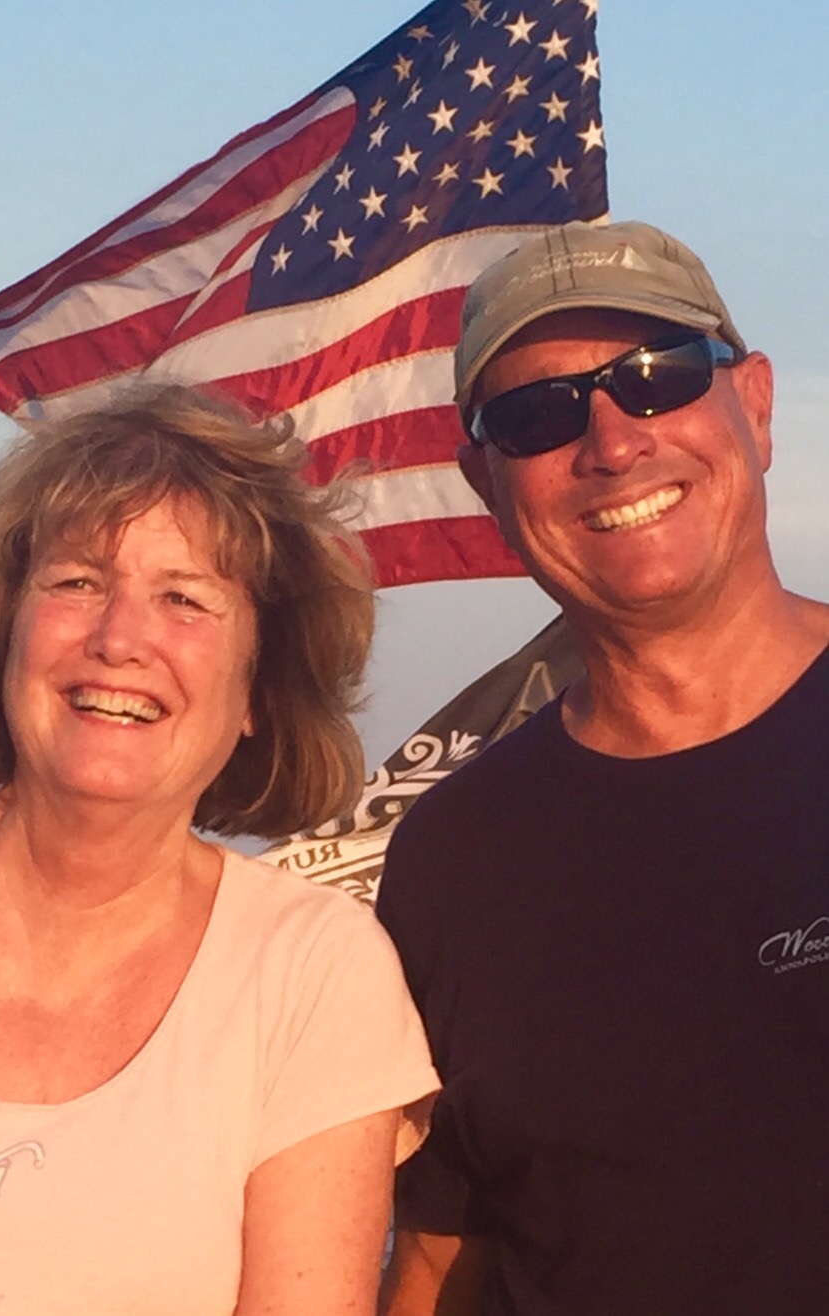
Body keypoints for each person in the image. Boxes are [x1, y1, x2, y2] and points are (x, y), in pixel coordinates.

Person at [0, 384, 439, 1315]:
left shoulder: (313, 979)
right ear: (5, 634)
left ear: (258, 690)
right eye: (78, 582)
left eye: (185, 599)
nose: (121, 638)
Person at [376, 220, 829, 1314]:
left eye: (657, 376)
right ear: (485, 483)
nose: (613, 442)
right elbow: (442, 1252)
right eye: (537, 413)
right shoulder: (451, 862)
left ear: (753, 404)